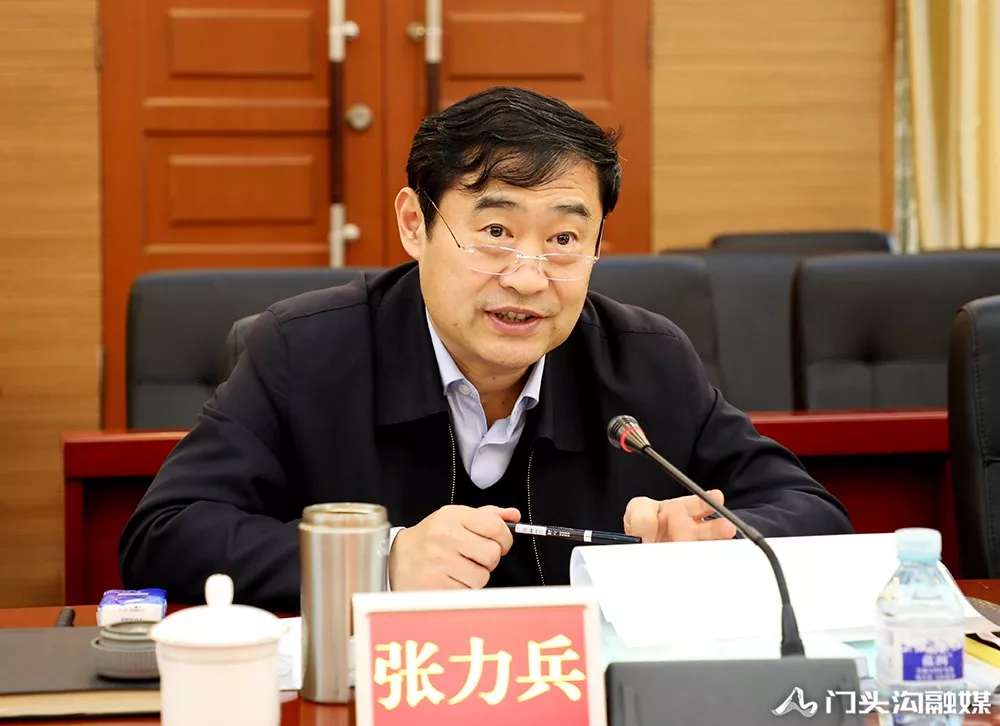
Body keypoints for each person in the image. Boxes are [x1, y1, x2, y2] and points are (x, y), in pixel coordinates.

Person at [118, 86, 853, 611]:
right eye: (496, 232)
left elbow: (811, 512)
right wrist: (380, 559)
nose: (528, 278)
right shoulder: (304, 350)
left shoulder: (646, 360)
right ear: (415, 224)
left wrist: (717, 541)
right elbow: (164, 535)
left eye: (564, 239)